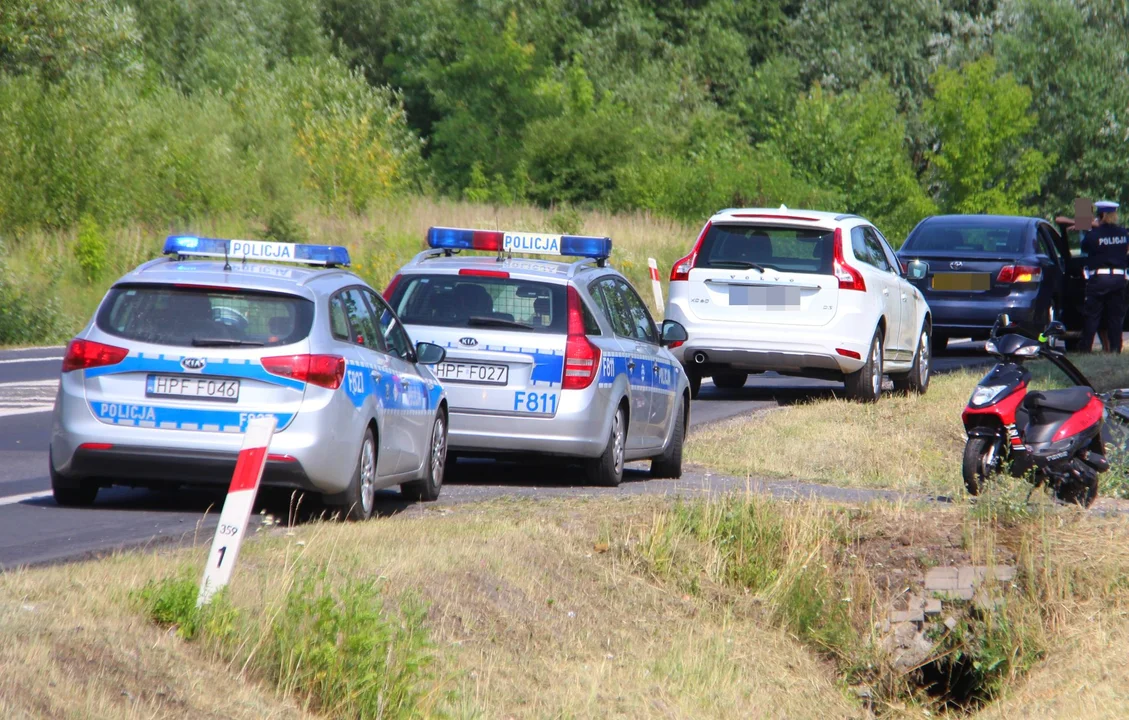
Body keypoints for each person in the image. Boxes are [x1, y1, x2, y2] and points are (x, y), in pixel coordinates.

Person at [1080, 200, 1129, 352]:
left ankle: (1085, 349)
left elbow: (1084, 249)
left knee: (1092, 316)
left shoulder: (1094, 234)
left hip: (1099, 280)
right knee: (1115, 318)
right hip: (1118, 280)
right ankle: (1115, 349)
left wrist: (1086, 222)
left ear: (1100, 215)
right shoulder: (1123, 233)